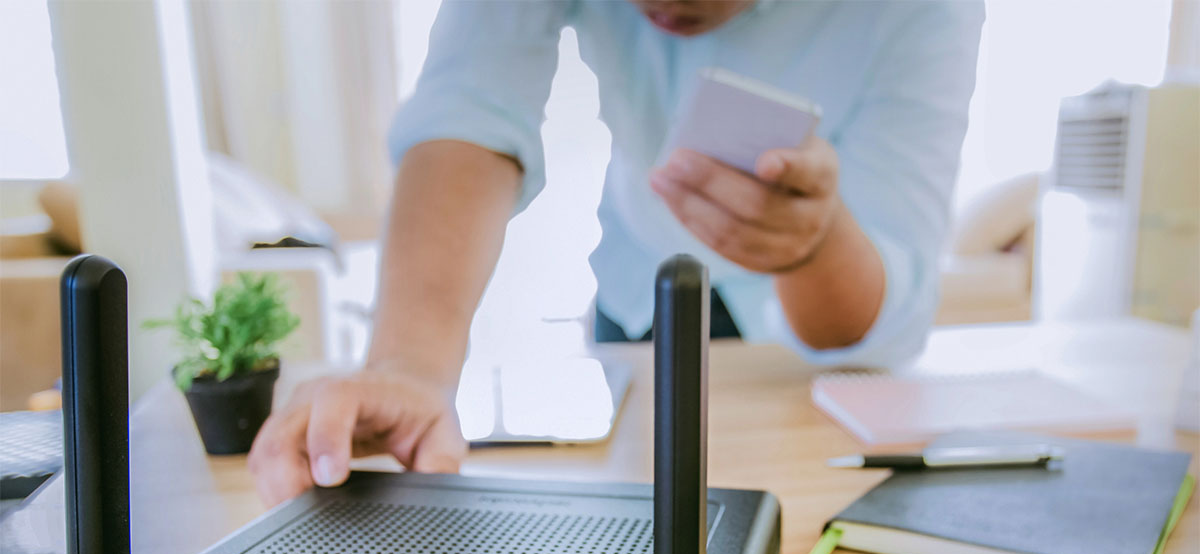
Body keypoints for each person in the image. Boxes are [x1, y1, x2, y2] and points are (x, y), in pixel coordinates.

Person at [248, 0, 984, 506]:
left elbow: (891, 289)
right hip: (639, 293)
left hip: (812, 354)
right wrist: (408, 367)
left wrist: (814, 245)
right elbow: (469, 107)